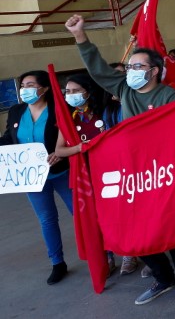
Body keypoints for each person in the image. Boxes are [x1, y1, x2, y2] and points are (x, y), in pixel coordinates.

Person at [64, 14, 175, 307]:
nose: (131, 71)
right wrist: (80, 36)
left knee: (170, 228)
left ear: (154, 71)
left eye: (137, 66)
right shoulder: (125, 89)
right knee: (137, 228)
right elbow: (99, 71)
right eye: (129, 67)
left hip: (163, 173)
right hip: (132, 174)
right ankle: (162, 278)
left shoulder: (170, 96)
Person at [1, 70, 72, 285]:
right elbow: (9, 139)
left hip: (62, 173)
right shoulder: (16, 111)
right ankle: (57, 263)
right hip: (32, 178)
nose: (25, 90)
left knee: (80, 214)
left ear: (45, 88)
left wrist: (61, 153)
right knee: (47, 220)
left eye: (30, 85)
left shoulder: (60, 110)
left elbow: (71, 137)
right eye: (22, 85)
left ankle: (103, 253)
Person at [54, 73, 126, 276]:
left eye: (76, 91)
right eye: (67, 91)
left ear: (88, 91)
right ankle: (108, 256)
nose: (71, 95)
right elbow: (59, 150)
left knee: (119, 213)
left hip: (112, 173)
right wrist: (82, 147)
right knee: (97, 218)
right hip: (86, 176)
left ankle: (131, 252)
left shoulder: (106, 111)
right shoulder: (69, 119)